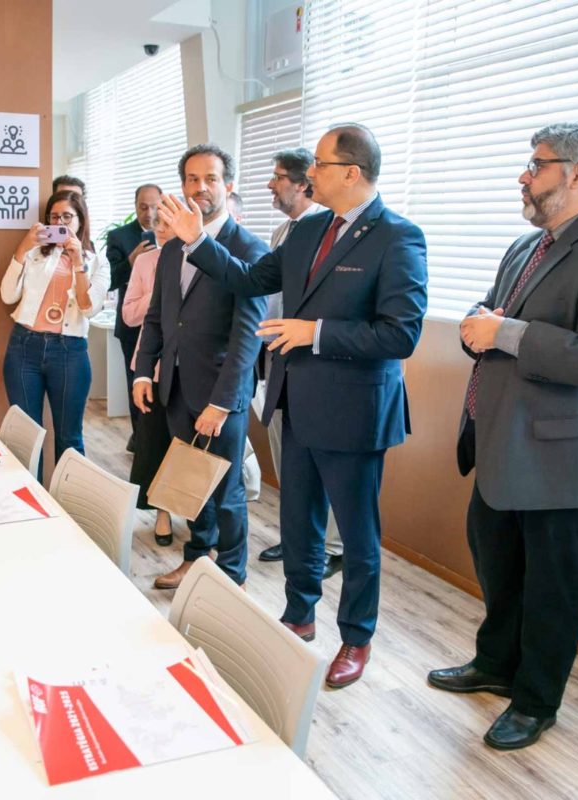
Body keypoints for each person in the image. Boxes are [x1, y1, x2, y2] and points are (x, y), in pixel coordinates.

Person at [158, 124, 428, 689]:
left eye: (321, 166)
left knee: (356, 534)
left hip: (355, 411)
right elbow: (248, 280)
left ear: (351, 172)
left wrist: (316, 332)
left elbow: (400, 334)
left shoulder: (398, 237)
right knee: (297, 523)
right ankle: (299, 615)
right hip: (295, 402)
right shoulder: (304, 233)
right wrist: (197, 242)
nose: (311, 175)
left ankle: (356, 636)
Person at [427, 121, 578, 750]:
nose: (523, 175)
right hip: (507, 445)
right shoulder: (524, 246)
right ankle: (496, 665)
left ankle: (535, 702)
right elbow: (486, 318)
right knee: (499, 565)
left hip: (571, 458)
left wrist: (501, 333)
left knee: (554, 588)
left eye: (536, 164)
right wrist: (482, 328)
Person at [132, 144, 269, 590]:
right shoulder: (172, 249)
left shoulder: (249, 248)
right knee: (191, 485)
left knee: (227, 491)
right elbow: (158, 317)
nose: (201, 188)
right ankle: (195, 558)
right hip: (174, 387)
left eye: (210, 178)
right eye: (192, 179)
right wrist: (142, 371)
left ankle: (230, 576)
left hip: (218, 395)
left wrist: (223, 403)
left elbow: (246, 336)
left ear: (229, 186)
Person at [253, 147, 343, 577]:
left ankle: (328, 548)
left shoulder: (327, 234)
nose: (271, 185)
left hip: (313, 363)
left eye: (277, 177)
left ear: (303, 184)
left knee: (320, 466)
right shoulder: (282, 234)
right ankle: (296, 539)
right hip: (277, 358)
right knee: (286, 458)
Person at [0, 190, 111, 474]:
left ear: (81, 221)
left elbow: (88, 308)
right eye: (54, 217)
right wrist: (22, 248)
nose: (60, 222)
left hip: (69, 353)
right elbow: (7, 294)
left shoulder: (97, 262)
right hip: (24, 347)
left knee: (69, 438)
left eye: (67, 217)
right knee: (26, 436)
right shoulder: (36, 253)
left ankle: (71, 511)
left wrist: (78, 264)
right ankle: (31, 507)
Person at [122, 214, 175, 546]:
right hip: (152, 366)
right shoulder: (145, 262)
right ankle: (163, 512)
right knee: (154, 442)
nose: (161, 228)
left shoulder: (203, 257)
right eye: (158, 222)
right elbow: (129, 315)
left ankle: (197, 515)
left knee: (186, 448)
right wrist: (158, 292)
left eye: (168, 222)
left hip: (191, 368)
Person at [106, 184, 163, 451]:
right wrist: (132, 260)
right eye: (143, 207)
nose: (150, 213)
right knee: (136, 384)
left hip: (165, 330)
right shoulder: (119, 236)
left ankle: (153, 439)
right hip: (131, 326)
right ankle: (139, 437)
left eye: (154, 206)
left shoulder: (175, 235)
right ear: (135, 206)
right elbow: (109, 280)